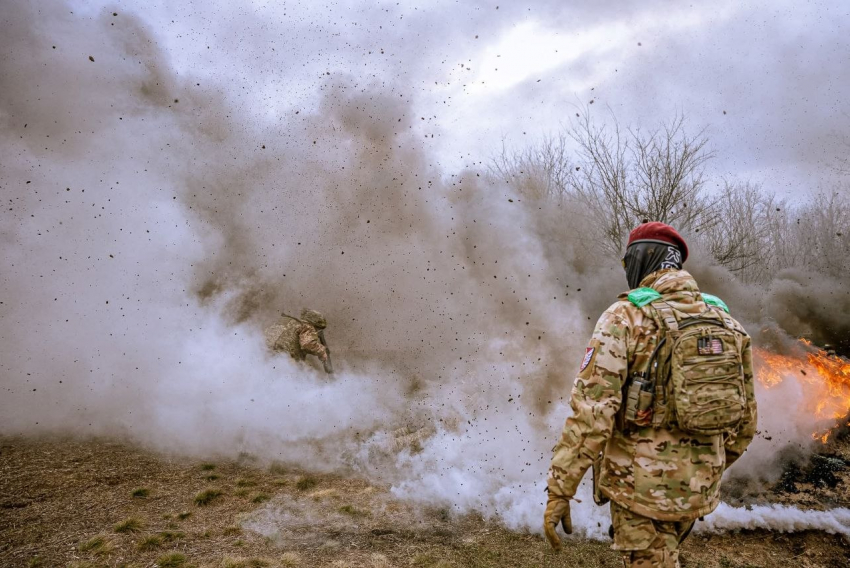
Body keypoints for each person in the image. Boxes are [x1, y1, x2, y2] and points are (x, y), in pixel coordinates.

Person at [543, 222, 757, 568]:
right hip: (698, 489)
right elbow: (745, 423)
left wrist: (560, 489)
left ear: (642, 258)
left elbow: (592, 413)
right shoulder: (726, 321)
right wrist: (703, 468)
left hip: (639, 492)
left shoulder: (626, 316)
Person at [265, 308, 333, 374]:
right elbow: (307, 344)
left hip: (267, 355)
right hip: (283, 359)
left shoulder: (289, 322)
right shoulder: (307, 326)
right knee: (307, 373)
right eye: (318, 329)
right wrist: (322, 352)